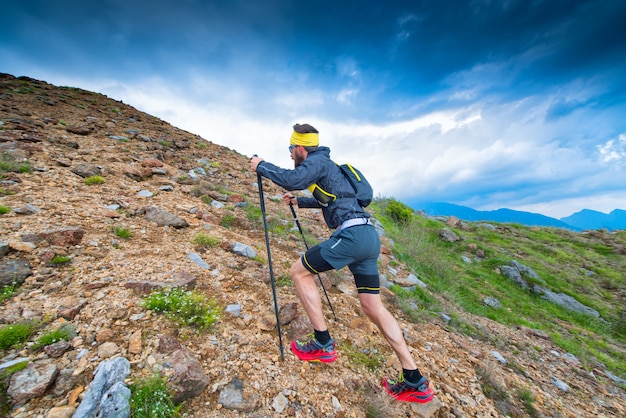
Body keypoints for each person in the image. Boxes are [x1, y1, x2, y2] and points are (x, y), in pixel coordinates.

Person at [249, 123, 434, 403]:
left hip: (351, 236)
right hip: (369, 237)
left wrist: (261, 165)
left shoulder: (316, 162)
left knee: (299, 272)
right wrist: (301, 203)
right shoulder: (331, 167)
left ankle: (322, 343)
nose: (290, 155)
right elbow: (336, 200)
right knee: (373, 305)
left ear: (300, 148)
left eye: (291, 150)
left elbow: (290, 178)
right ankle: (414, 379)